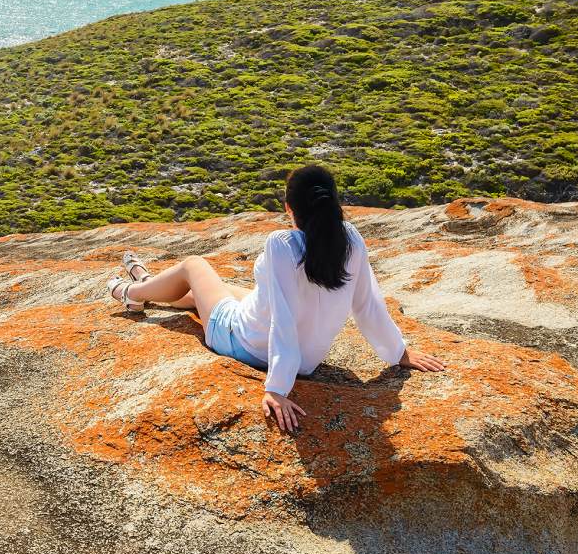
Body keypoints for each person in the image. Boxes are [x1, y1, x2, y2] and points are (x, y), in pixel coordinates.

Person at [107, 165, 446, 433]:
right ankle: (151, 289)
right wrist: (398, 352)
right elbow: (368, 306)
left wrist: (278, 388)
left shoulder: (281, 244)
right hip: (306, 360)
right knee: (216, 294)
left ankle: (133, 293)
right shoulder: (351, 241)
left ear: (289, 208)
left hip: (245, 344)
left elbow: (283, 320)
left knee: (195, 266)